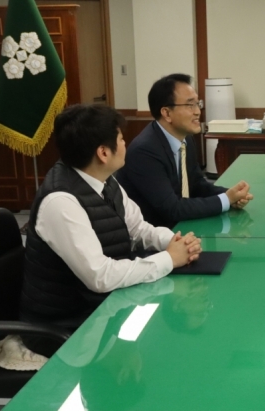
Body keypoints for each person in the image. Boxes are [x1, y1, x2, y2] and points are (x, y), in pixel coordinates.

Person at [20, 104, 202, 357]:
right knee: (161, 338)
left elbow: (138, 228)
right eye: (121, 139)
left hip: (99, 310)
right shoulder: (60, 202)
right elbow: (99, 276)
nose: (126, 144)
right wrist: (169, 259)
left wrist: (174, 241)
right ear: (104, 152)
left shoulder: (103, 178)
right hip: (68, 328)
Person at [116, 73, 253, 228]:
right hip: (152, 239)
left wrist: (230, 195)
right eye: (190, 105)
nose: (197, 112)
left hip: (181, 229)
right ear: (167, 113)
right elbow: (172, 209)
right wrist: (225, 200)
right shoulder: (145, 151)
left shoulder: (185, 138)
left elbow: (196, 184)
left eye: (197, 104)